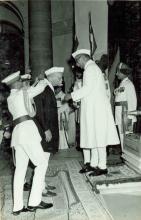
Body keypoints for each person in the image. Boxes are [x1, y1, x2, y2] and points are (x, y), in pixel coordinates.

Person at [1, 71, 53, 215]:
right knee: (41, 163)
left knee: (20, 170)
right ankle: (34, 202)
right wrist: (43, 80)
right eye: (20, 80)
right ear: (17, 83)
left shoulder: (11, 98)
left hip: (17, 134)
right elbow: (39, 88)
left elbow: (28, 93)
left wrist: (34, 82)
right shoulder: (22, 93)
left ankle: (17, 207)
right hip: (28, 133)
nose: (23, 82)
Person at [64, 49, 120, 176]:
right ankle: (94, 164)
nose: (77, 65)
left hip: (97, 110)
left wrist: (71, 95)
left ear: (83, 58)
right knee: (94, 136)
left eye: (77, 61)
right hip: (93, 109)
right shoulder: (92, 68)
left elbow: (87, 89)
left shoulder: (90, 69)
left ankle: (102, 166)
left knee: (98, 137)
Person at [34, 67, 63, 194]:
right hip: (44, 130)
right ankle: (41, 190)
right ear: (50, 77)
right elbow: (40, 111)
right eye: (59, 77)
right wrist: (46, 129)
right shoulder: (44, 88)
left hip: (47, 128)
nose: (61, 80)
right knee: (43, 161)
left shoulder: (47, 87)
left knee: (44, 159)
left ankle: (42, 185)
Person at [114, 62, 137, 151]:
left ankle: (128, 157)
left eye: (118, 72)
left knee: (127, 138)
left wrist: (130, 116)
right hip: (120, 114)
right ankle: (124, 155)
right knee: (122, 136)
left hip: (126, 115)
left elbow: (132, 101)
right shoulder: (122, 84)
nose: (116, 74)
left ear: (124, 73)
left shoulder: (129, 85)